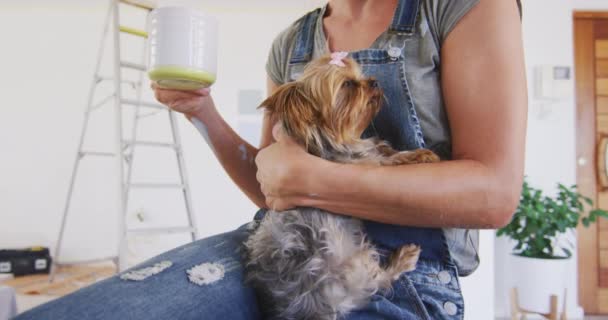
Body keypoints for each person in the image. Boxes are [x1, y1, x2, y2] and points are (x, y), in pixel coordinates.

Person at [16, 0, 526, 319]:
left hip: (404, 269)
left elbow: (494, 196)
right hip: (282, 244)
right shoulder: (293, 43)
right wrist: (202, 113)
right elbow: (272, 190)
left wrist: (316, 178)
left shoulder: (460, 6)